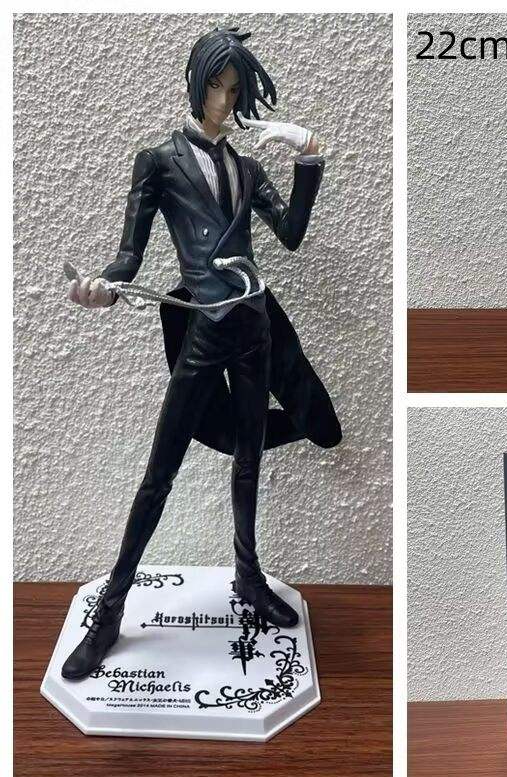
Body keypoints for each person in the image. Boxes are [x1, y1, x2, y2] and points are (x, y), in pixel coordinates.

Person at [62, 27, 340, 680]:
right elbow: (129, 256)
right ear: (197, 82)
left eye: (234, 90)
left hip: (254, 325)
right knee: (160, 472)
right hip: (204, 330)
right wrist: (106, 287)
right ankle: (111, 610)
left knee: (248, 460)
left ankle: (248, 576)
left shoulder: (247, 169)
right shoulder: (158, 162)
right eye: (216, 85)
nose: (223, 100)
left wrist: (309, 156)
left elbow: (291, 235)